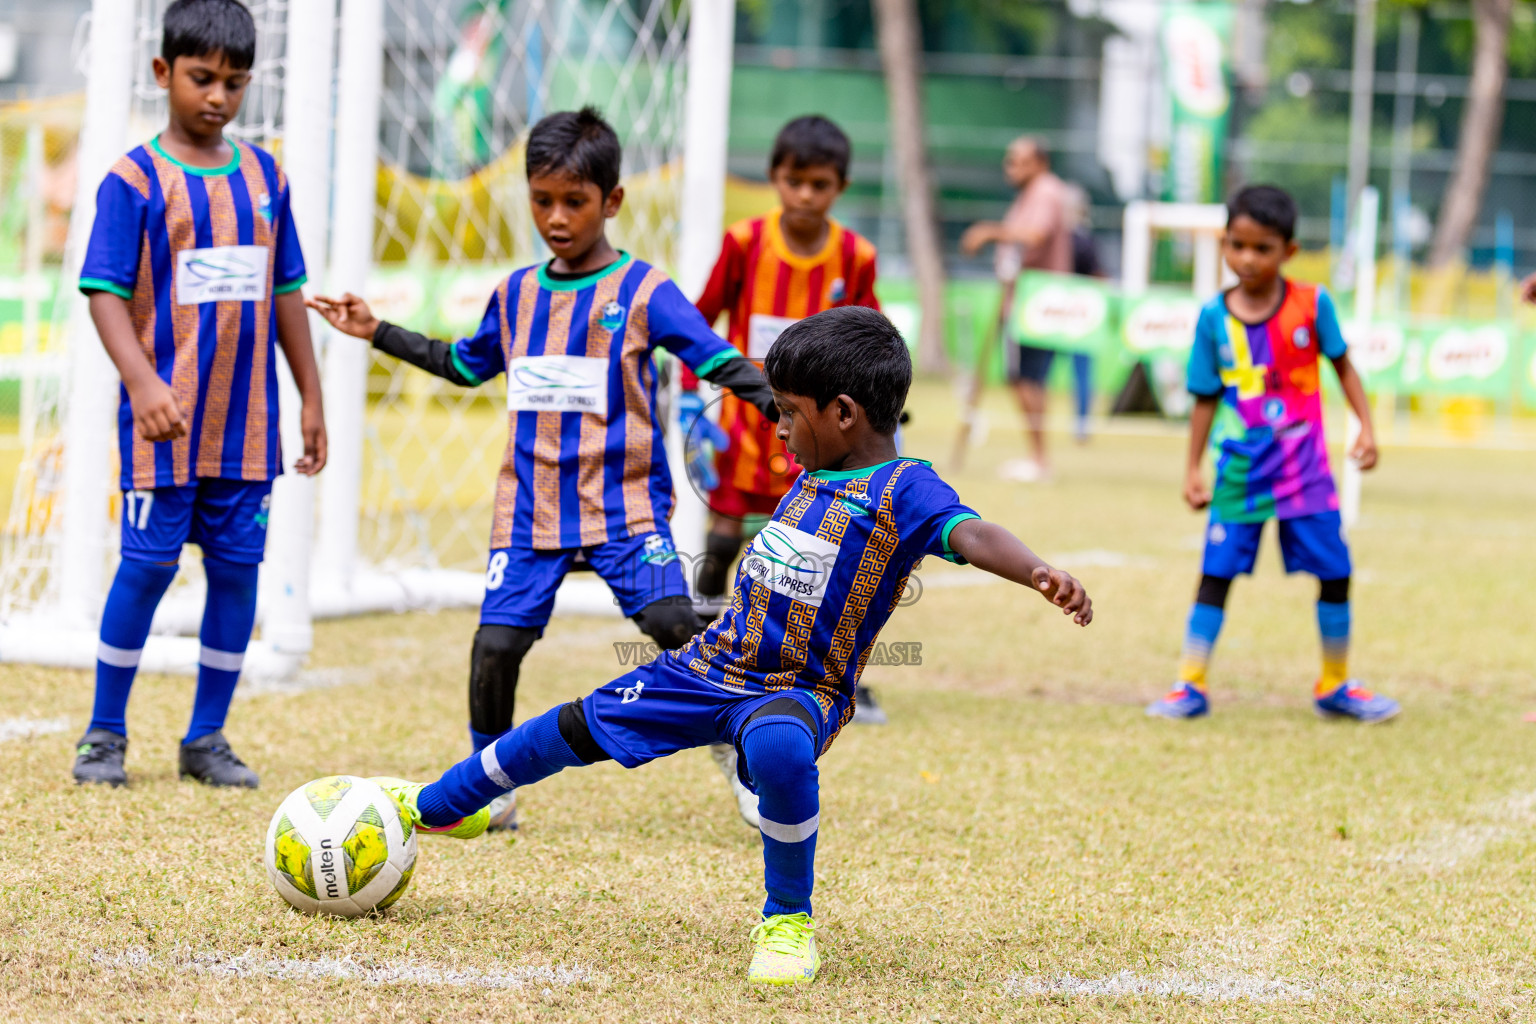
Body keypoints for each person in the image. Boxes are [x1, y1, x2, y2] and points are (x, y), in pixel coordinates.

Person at [363, 305, 1093, 986]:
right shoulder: (814, 468)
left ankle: (787, 922)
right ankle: (443, 803)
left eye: (787, 412)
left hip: (799, 691)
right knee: (569, 727)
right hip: (707, 668)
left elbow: (971, 531)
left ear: (844, 415)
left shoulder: (906, 487)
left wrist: (1036, 572)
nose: (776, 426)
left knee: (777, 752)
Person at [309, 108, 777, 832]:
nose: (556, 218)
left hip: (623, 508)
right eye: (542, 200)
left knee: (675, 625)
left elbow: (716, 361)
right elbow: (464, 365)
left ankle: (740, 756)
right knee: (497, 645)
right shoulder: (517, 294)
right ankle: (487, 788)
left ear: (611, 202)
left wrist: (789, 407)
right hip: (530, 511)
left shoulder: (646, 292)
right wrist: (377, 331)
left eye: (575, 202)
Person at [71, 0, 326, 789]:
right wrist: (142, 381)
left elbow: (285, 292)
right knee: (144, 569)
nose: (217, 96)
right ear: (163, 74)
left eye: (235, 82)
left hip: (247, 429)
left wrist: (310, 397)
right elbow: (105, 293)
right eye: (202, 78)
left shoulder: (265, 177)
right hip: (163, 424)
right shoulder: (133, 180)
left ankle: (206, 737)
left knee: (237, 574)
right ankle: (103, 733)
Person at [683, 114, 883, 826]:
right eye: (792, 180)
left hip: (822, 439)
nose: (804, 195)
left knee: (827, 553)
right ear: (775, 179)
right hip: (746, 427)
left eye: (819, 184)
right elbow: (701, 320)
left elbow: (868, 333)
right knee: (726, 537)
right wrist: (694, 402)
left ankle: (839, 673)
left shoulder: (855, 255)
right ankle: (701, 638)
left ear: (840, 187)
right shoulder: (744, 243)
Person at [1146, 185, 1399, 722]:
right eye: (1237, 245)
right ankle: (1188, 684)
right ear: (1224, 243)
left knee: (1336, 572)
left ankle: (1335, 684)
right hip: (1239, 474)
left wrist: (1366, 428)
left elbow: (1344, 366)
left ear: (1289, 251)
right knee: (1217, 573)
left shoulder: (1313, 303)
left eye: (1262, 248)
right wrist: (1192, 468)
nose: (1247, 258)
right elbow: (1205, 398)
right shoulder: (1213, 318)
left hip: (1306, 474)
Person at [959, 135, 1073, 482]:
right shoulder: (1031, 194)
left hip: (1036, 303)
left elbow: (1036, 236)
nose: (1011, 167)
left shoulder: (1046, 191)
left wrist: (989, 233)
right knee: (1022, 379)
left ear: (1040, 162)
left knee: (1029, 379)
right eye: (1009, 160)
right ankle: (1036, 457)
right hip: (1022, 301)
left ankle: (1040, 460)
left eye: (1019, 160)